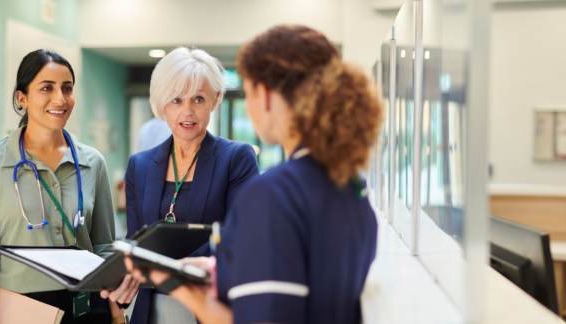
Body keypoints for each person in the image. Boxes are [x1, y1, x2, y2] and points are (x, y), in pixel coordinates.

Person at [126, 25, 384, 324]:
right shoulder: (351, 185)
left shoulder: (275, 194)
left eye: (247, 92)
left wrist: (171, 278)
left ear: (264, 95)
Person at [0, 49, 138, 324]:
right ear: (21, 98)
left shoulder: (93, 162)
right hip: (22, 309)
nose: (60, 99)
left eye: (67, 88)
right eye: (47, 88)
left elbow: (103, 245)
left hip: (89, 306)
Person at [120, 47, 259, 324]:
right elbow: (136, 242)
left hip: (210, 306)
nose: (187, 111)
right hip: (151, 309)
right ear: (161, 104)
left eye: (198, 99)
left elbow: (241, 240)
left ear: (215, 99)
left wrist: (168, 267)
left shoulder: (236, 159)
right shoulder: (141, 165)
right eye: (176, 100)